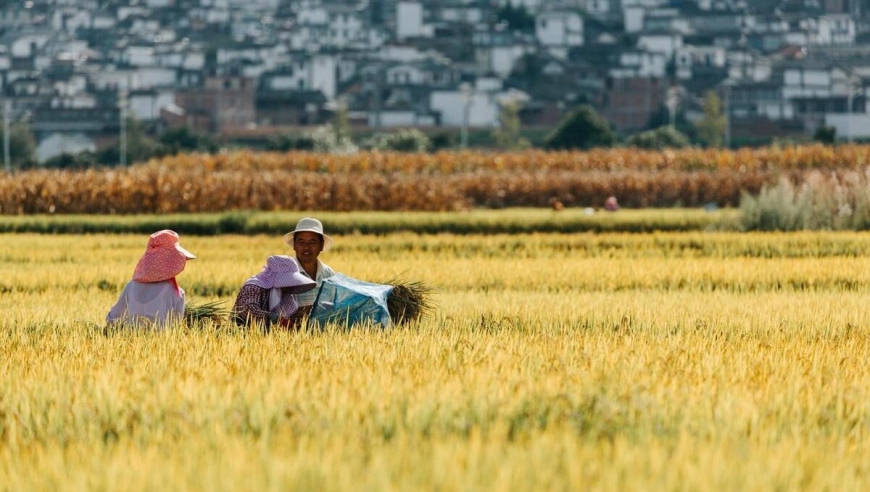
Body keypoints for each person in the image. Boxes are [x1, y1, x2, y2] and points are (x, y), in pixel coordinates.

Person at [107, 229, 196, 329]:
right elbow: (175, 329)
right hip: (161, 344)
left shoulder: (130, 286)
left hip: (130, 342)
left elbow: (112, 319)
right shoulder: (176, 294)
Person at [231, 255, 317, 329]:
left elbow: (288, 313)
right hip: (241, 331)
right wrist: (276, 319)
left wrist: (308, 311)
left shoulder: (284, 291)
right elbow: (249, 310)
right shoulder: (253, 287)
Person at [282, 217, 336, 317]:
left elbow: (333, 309)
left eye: (312, 242)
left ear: (321, 245)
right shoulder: (284, 273)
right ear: (294, 245)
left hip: (323, 332)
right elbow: (277, 313)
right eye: (301, 241)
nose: (306, 247)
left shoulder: (329, 274)